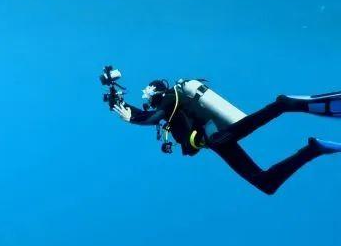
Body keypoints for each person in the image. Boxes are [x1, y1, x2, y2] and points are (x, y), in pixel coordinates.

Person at [102, 66, 341, 194]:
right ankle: (314, 148)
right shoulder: (169, 105)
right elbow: (148, 115)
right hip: (217, 141)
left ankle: (284, 105)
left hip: (217, 137)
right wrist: (119, 104)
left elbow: (152, 117)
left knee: (258, 123)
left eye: (146, 91)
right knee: (265, 183)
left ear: (156, 91)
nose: (144, 95)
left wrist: (131, 119)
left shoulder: (169, 99)